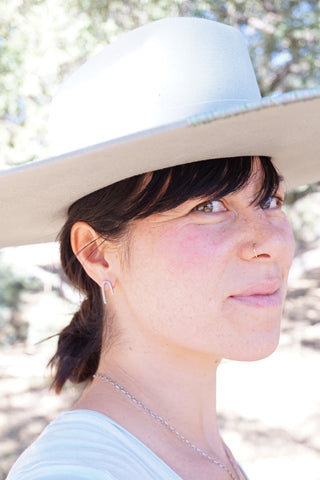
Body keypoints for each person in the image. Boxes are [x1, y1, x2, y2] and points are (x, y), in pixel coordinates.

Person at [2, 16, 320, 480]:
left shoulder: (188, 444)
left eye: (269, 200)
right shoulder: (77, 472)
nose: (270, 241)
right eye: (209, 206)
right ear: (97, 252)